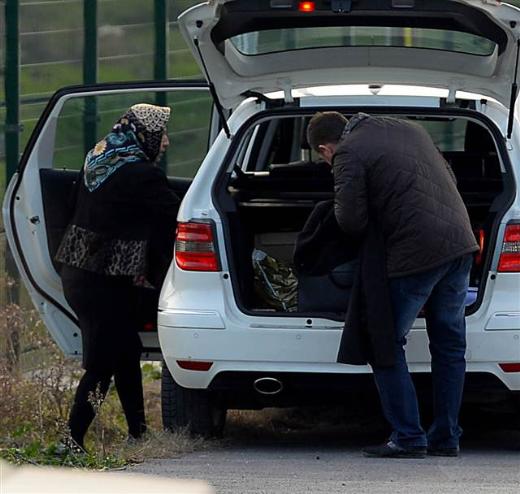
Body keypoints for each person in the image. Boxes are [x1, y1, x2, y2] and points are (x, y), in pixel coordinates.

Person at [306, 111, 479, 458]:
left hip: (417, 254)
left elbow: (351, 220)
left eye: (325, 158)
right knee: (449, 343)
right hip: (461, 244)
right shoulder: (407, 128)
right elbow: (448, 177)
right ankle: (446, 437)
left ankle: (408, 436)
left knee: (382, 341)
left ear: (325, 149)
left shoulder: (348, 153)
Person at [55, 103, 180, 451]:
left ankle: (138, 433)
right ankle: (70, 441)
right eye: (162, 134)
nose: (166, 142)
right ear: (145, 134)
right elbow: (173, 215)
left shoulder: (100, 157)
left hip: (79, 271)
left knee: (126, 350)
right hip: (103, 281)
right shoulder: (141, 173)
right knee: (103, 361)